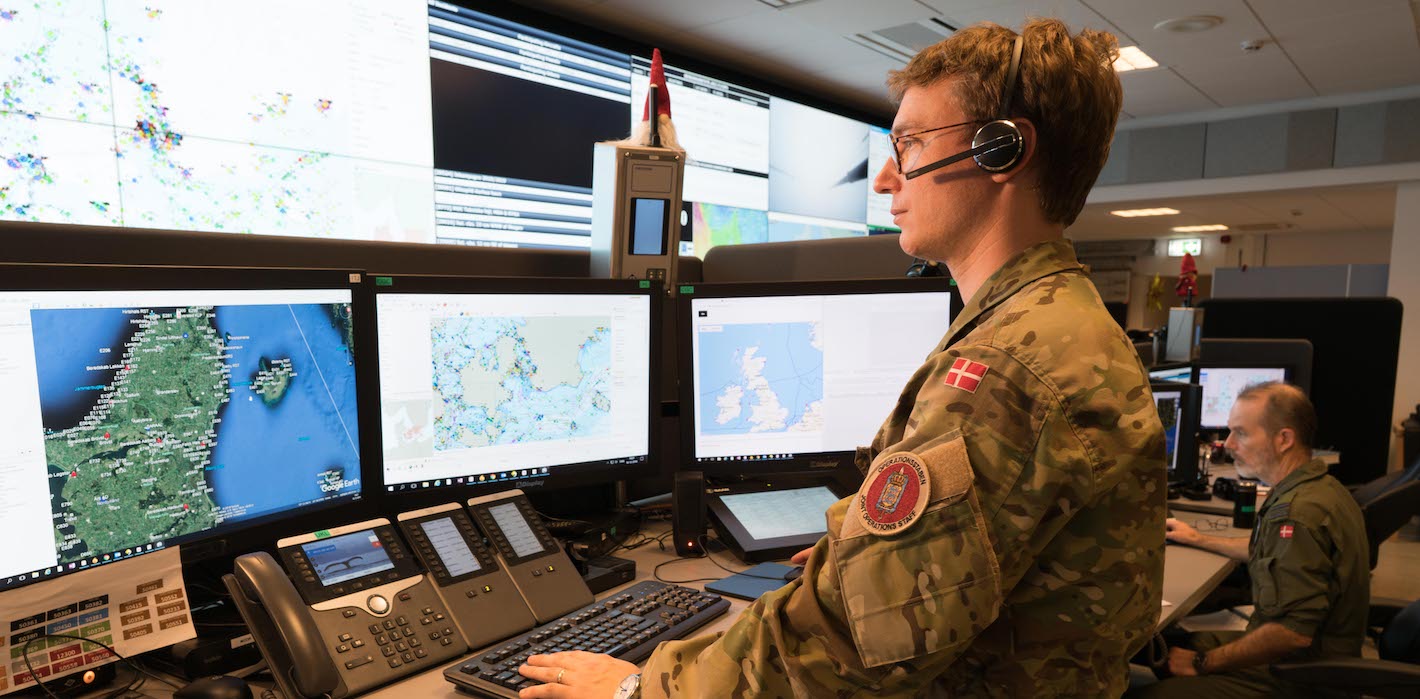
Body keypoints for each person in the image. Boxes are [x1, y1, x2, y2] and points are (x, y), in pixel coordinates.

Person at [516, 18, 1166, 698]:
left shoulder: (1005, 367)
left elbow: (852, 646)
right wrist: (858, 558)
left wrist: (640, 690)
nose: (887, 177)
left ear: (1002, 150)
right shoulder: (1060, 319)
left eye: (910, 143)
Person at [1131, 382, 1369, 698]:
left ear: (1284, 439)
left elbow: (1290, 635)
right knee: (1157, 647)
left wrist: (1202, 663)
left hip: (1299, 676)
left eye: (1241, 433)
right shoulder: (1321, 488)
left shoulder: (1296, 515)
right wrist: (1199, 538)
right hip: (1305, 656)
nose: (1228, 443)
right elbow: (1272, 552)